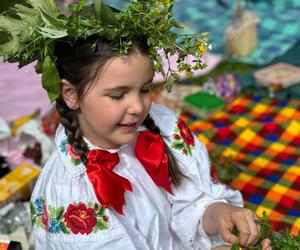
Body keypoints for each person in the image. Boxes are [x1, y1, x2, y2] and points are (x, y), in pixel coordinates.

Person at [0, 1, 272, 249]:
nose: (139, 107)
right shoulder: (70, 194)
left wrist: (219, 213)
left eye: (144, 89)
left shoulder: (163, 128)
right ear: (71, 94)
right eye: (118, 95)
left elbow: (191, 200)